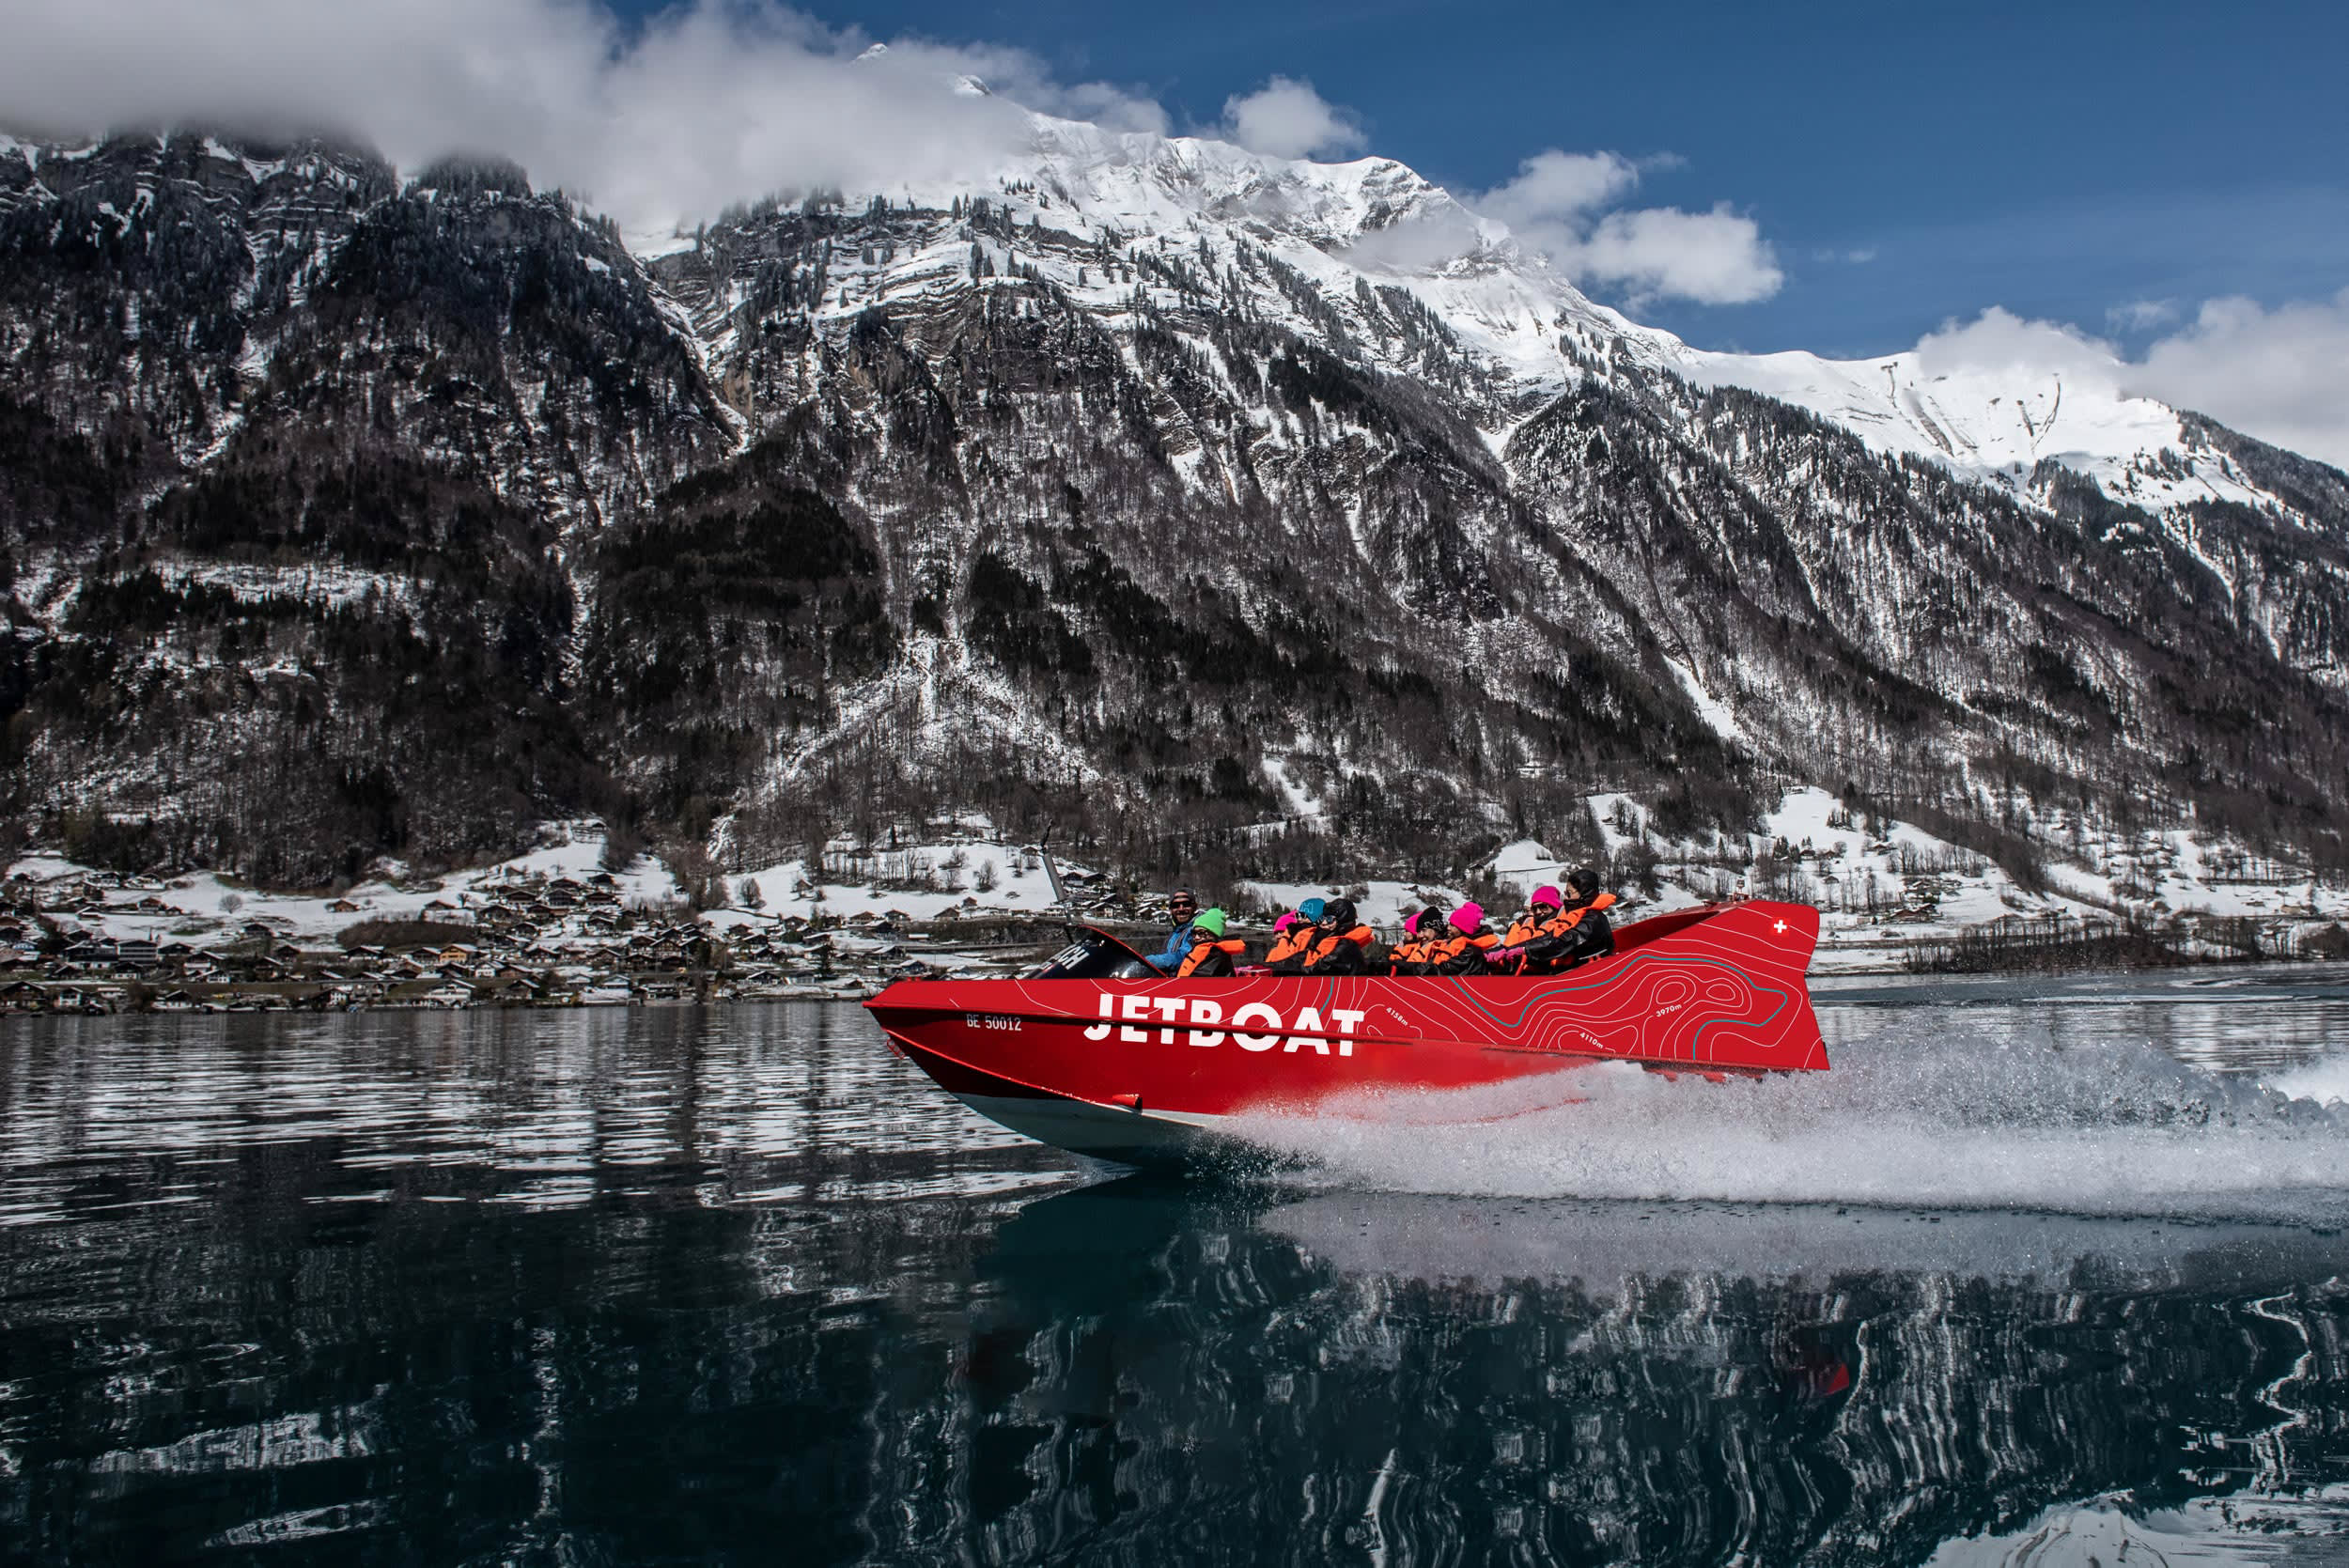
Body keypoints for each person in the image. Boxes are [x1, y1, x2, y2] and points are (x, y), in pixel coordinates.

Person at [1522, 869, 1619, 973]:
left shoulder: (1594, 920)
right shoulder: (1574, 916)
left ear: (1584, 894)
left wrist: (1526, 951)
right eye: (1565, 894)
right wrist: (1518, 948)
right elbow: (1548, 938)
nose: (1566, 899)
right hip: (1572, 975)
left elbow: (1567, 940)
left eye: (1569, 894)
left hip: (1592, 977)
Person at [1298, 898, 1376, 974]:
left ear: (1343, 922)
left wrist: (1292, 967)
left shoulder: (1346, 947)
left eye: (1329, 919)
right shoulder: (1328, 939)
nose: (1324, 922)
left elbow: (1320, 969)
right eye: (1322, 918)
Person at [1428, 902, 1501, 975]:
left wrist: (1419, 969)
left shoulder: (1471, 952)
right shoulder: (1452, 942)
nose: (1448, 928)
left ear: (1464, 929)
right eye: (1449, 924)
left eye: (1453, 925)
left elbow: (1445, 970)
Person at [1175, 909, 1249, 977]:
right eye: (1194, 933)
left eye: (1201, 933)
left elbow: (1198, 978)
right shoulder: (1198, 949)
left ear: (1214, 934)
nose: (1196, 937)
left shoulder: (1216, 954)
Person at [1142, 888, 1201, 972]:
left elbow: (1181, 958)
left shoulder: (1198, 932)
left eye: (1186, 904)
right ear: (1170, 909)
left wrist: (1146, 960)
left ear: (1194, 907)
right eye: (1176, 905)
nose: (1181, 909)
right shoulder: (1174, 933)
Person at [1262, 898, 1327, 972]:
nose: (1299, 918)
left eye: (1303, 915)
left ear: (1315, 916)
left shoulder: (1314, 936)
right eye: (1297, 915)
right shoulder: (1294, 932)